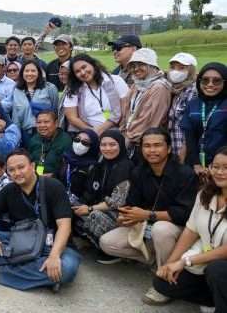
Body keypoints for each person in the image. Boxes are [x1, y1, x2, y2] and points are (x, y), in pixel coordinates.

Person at [99, 128, 198, 304]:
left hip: (176, 227)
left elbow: (184, 214)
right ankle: (156, 262)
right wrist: (126, 216)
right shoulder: (139, 172)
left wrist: (148, 214)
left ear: (168, 148)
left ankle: (165, 284)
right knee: (107, 242)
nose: (152, 150)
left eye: (157, 145)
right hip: (145, 224)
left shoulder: (185, 174)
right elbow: (131, 202)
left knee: (162, 230)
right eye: (147, 146)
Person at [0, 149, 80, 292]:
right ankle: (42, 275)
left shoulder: (53, 186)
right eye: (12, 170)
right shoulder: (9, 190)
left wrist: (54, 256)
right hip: (22, 243)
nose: (17, 173)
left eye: (21, 167)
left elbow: (64, 226)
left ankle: (0, 270)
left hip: (55, 245)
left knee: (67, 269)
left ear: (32, 166)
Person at [151, 147, 227, 311]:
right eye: (216, 166)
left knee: (217, 270)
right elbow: (191, 231)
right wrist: (170, 263)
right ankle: (215, 298)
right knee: (162, 282)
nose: (220, 172)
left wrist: (185, 261)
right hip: (207, 260)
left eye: (226, 168)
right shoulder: (205, 194)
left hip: (220, 265)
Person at [72, 129, 133, 263]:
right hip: (97, 206)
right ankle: (90, 241)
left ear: (121, 145)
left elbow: (116, 202)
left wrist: (89, 209)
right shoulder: (101, 165)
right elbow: (90, 191)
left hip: (119, 215)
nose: (107, 149)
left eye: (112, 145)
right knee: (69, 206)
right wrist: (79, 205)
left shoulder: (125, 167)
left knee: (95, 216)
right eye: (103, 145)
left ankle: (111, 252)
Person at [120, 48, 171, 159]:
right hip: (131, 140)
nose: (136, 69)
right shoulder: (136, 85)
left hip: (147, 143)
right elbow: (127, 112)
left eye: (141, 65)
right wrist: (123, 133)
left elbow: (150, 120)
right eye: (133, 66)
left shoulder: (159, 87)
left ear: (151, 65)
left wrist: (128, 137)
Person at [63, 54, 128, 134]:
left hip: (116, 130)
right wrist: (93, 132)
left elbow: (125, 110)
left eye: (84, 67)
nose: (82, 72)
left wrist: (112, 131)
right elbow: (72, 118)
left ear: (93, 64)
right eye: (77, 71)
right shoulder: (73, 90)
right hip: (87, 132)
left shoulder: (116, 81)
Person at [183, 62, 227, 176]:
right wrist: (196, 163)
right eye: (205, 80)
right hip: (196, 167)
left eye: (216, 80)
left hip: (222, 168)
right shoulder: (193, 104)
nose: (210, 84)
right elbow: (190, 137)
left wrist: (217, 166)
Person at [9, 60, 59, 143]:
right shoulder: (17, 90)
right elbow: (15, 116)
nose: (29, 74)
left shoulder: (50, 88)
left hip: (47, 132)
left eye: (33, 71)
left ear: (38, 72)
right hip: (26, 134)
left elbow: (55, 110)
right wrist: (16, 136)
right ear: (22, 73)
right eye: (27, 71)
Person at [166, 53, 198, 163]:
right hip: (173, 147)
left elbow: (191, 125)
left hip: (185, 151)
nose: (176, 71)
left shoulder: (193, 91)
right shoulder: (174, 89)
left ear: (191, 70)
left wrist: (183, 153)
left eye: (182, 68)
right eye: (173, 67)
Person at [58, 129, 100, 202]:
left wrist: (76, 205)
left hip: (79, 206)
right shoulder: (65, 158)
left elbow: (90, 194)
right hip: (59, 199)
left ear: (92, 146)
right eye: (77, 139)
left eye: (85, 142)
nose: (79, 144)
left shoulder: (94, 167)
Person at [27, 111, 72, 177]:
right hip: (34, 177)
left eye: (46, 122)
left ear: (56, 123)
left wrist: (53, 175)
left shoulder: (65, 140)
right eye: (39, 122)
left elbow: (67, 167)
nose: (42, 125)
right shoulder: (34, 139)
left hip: (56, 180)